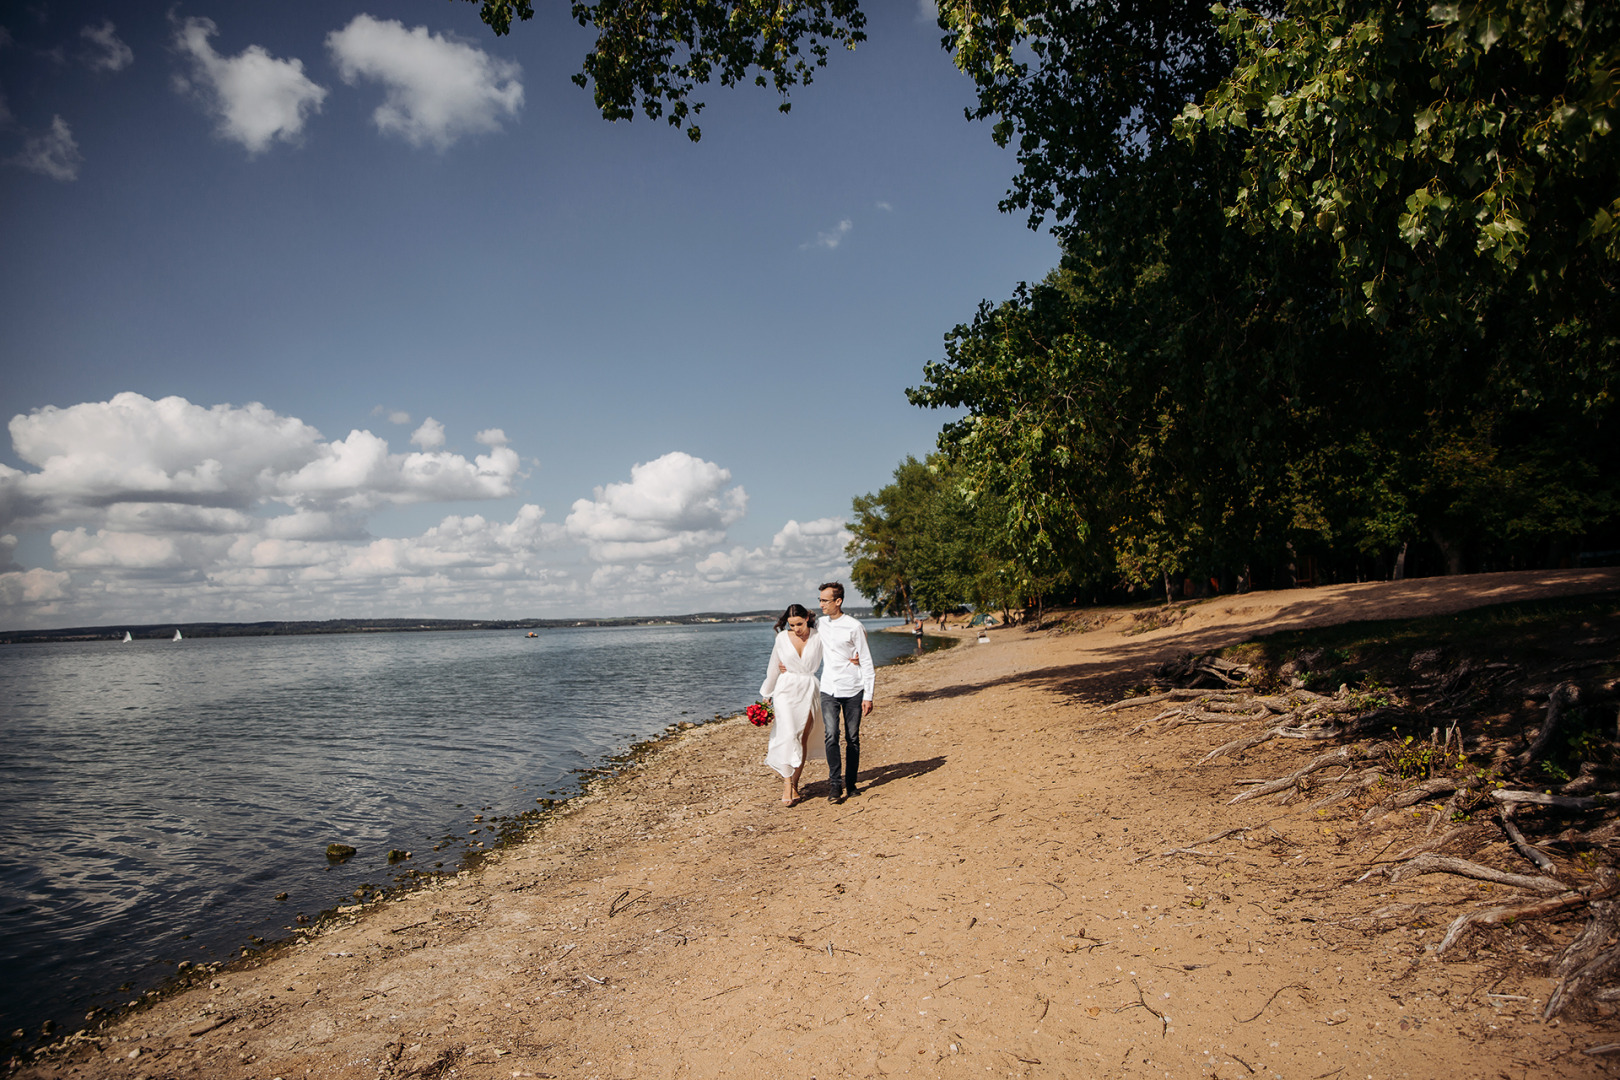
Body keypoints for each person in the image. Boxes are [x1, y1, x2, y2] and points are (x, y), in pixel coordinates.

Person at [758, 603, 825, 807]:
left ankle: (795, 783)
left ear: (807, 618)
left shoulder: (819, 636)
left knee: (802, 738)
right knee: (787, 735)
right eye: (791, 624)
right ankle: (787, 784)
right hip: (785, 690)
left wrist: (854, 660)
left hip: (809, 688)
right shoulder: (781, 638)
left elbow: (837, 654)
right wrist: (766, 694)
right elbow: (773, 667)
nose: (796, 628)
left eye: (799, 623)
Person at [816, 581, 874, 804]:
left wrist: (868, 695)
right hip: (828, 688)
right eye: (820, 600)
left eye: (824, 600)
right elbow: (798, 633)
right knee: (831, 735)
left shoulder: (854, 626)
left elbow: (866, 661)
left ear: (838, 601)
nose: (821, 604)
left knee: (852, 738)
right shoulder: (820, 624)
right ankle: (834, 785)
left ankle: (851, 784)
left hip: (853, 689)